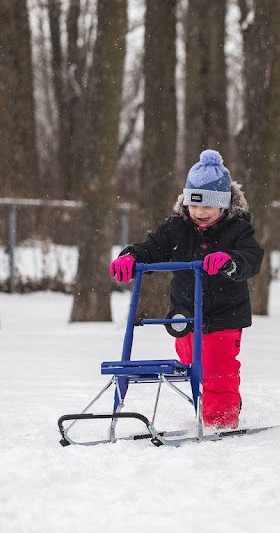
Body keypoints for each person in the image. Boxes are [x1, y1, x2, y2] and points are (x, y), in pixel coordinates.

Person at [108, 150, 264, 429]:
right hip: (184, 315)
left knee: (217, 368)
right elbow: (151, 249)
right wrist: (131, 257)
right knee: (194, 365)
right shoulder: (175, 227)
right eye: (194, 205)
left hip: (223, 316)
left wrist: (230, 262)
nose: (200, 213)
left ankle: (221, 421)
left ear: (225, 206)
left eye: (210, 206)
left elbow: (251, 259)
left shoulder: (238, 230)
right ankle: (213, 404)